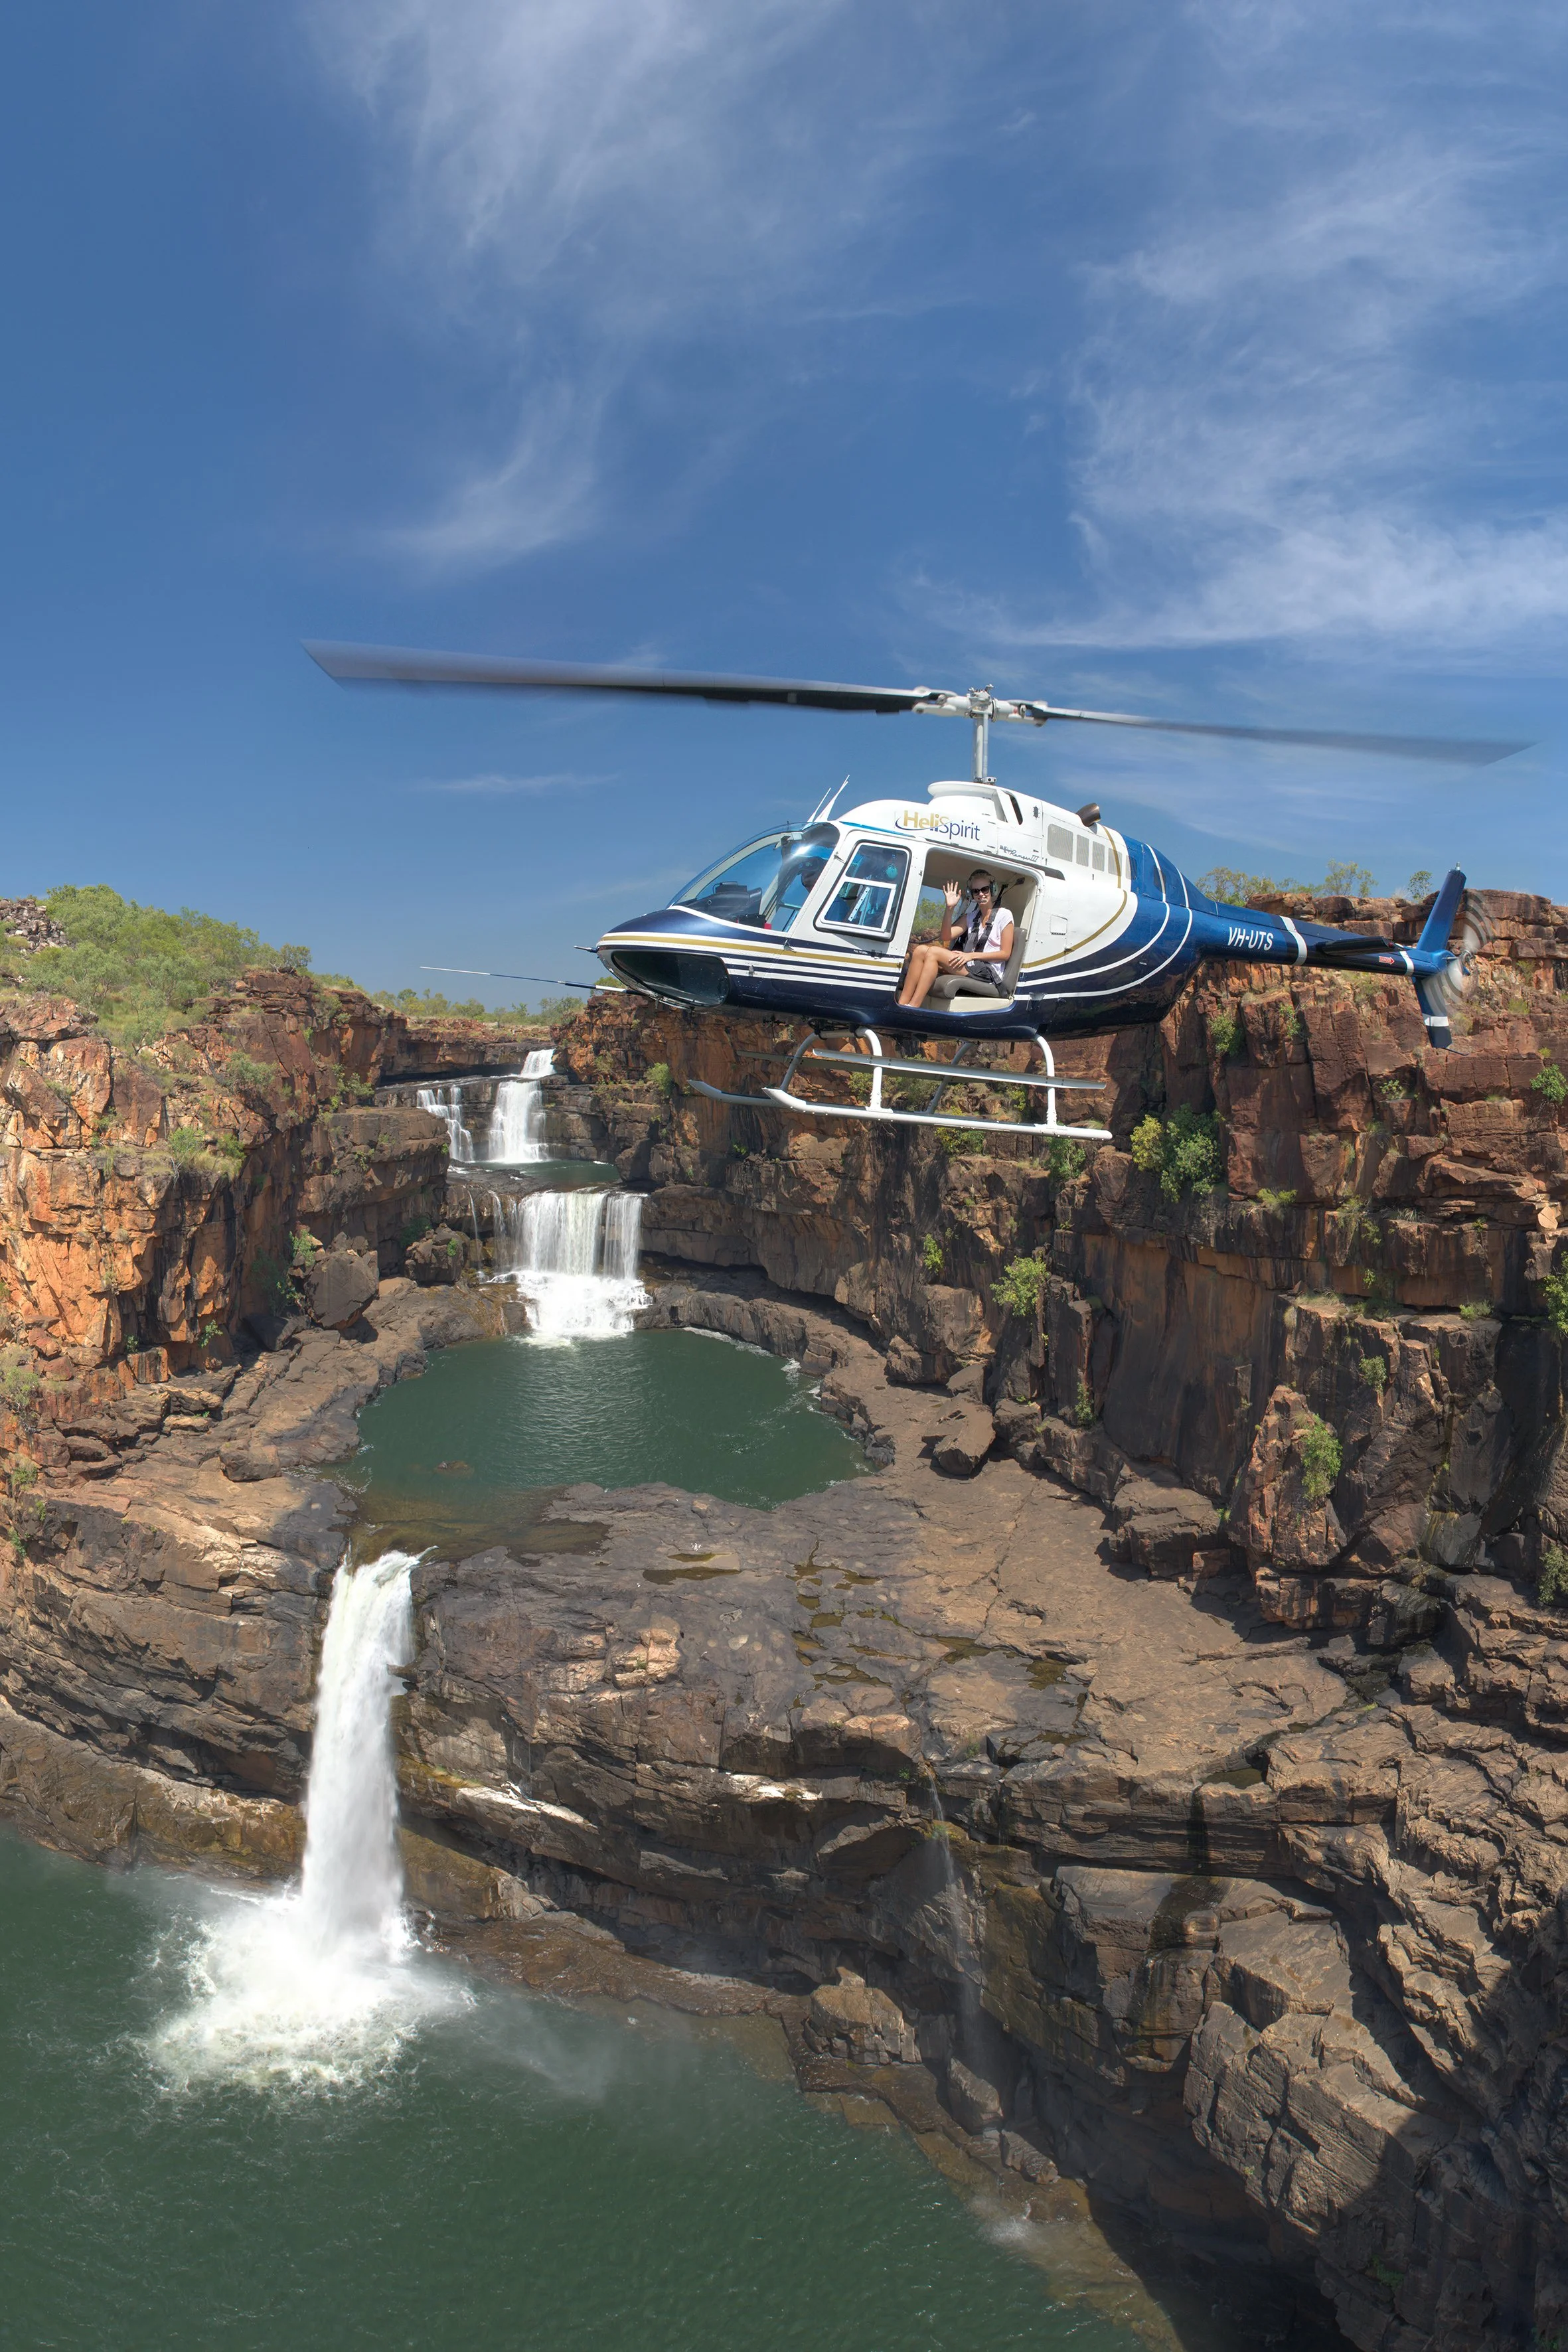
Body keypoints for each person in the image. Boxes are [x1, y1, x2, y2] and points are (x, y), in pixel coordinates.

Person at [898, 871, 1013, 1010]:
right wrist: (949, 909)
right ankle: (901, 1005)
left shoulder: (1004, 915)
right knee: (921, 950)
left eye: (985, 889)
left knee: (933, 952)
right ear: (972, 894)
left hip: (989, 971)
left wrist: (971, 955)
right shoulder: (971, 917)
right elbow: (946, 936)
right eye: (976, 891)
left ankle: (913, 1007)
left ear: (992, 889)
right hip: (972, 964)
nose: (981, 894)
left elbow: (1005, 954)